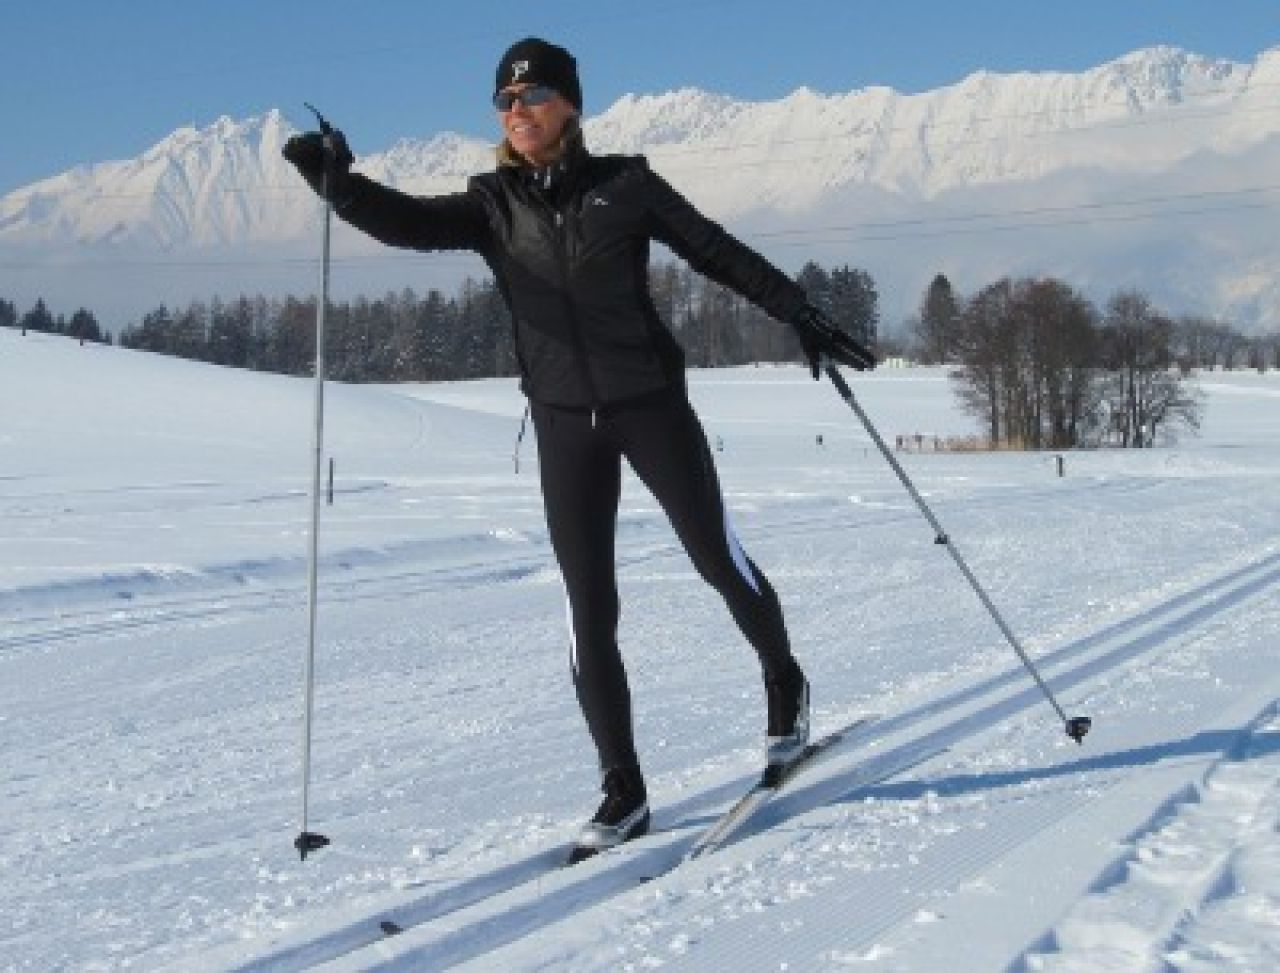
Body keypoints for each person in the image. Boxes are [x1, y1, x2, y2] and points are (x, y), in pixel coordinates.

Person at [283, 37, 875, 863]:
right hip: (563, 423)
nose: (514, 112)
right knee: (587, 606)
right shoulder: (491, 205)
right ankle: (622, 785)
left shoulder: (625, 186)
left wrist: (799, 311)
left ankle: (785, 677)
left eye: (529, 97)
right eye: (503, 102)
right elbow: (407, 223)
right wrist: (337, 185)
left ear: (568, 104)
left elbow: (714, 249)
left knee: (716, 558)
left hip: (650, 407)